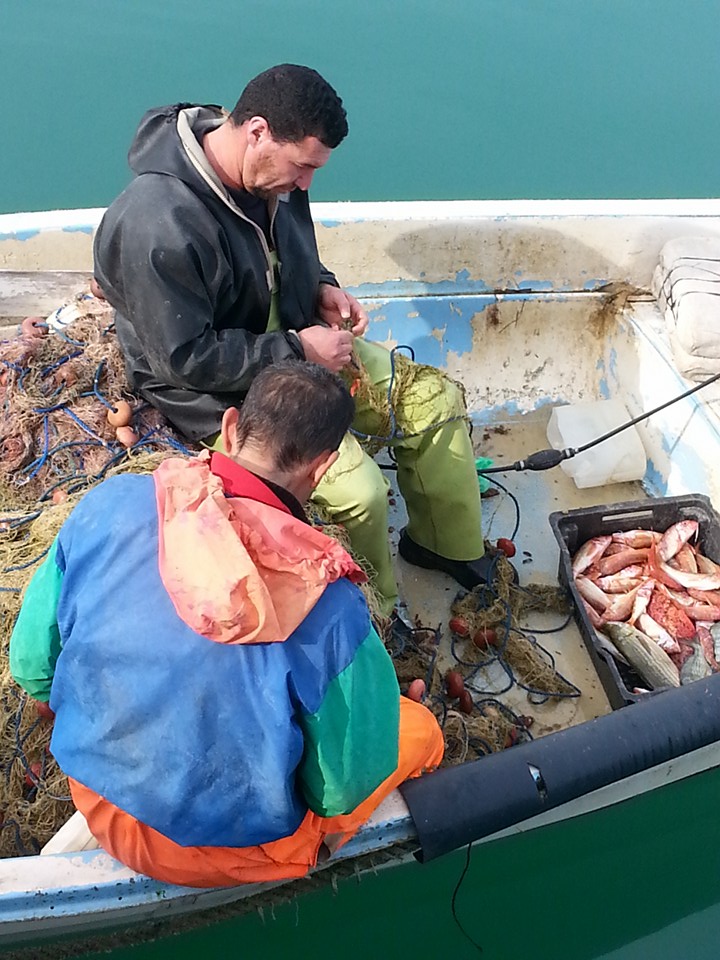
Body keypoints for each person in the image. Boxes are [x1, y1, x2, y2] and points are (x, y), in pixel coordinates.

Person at [92, 63, 498, 627]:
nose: (307, 183)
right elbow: (184, 359)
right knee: (359, 490)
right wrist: (298, 350)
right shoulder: (156, 223)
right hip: (212, 386)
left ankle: (444, 544)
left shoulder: (269, 173)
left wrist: (322, 286)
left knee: (433, 402)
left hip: (293, 343)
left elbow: (283, 250)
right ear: (256, 131)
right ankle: (371, 614)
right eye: (304, 166)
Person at [9, 361, 444, 887]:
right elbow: (338, 790)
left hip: (97, 797)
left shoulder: (110, 502)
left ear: (232, 427)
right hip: (213, 856)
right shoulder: (332, 605)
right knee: (418, 731)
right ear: (323, 469)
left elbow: (32, 666)